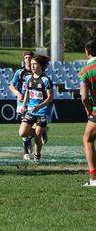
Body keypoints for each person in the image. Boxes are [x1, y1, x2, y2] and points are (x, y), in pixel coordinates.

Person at [18, 55, 53, 163]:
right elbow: (27, 92)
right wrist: (24, 105)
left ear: (41, 66)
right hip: (31, 110)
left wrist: (40, 106)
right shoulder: (28, 78)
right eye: (31, 64)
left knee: (37, 138)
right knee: (22, 133)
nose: (32, 66)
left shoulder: (46, 80)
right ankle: (42, 132)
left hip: (42, 111)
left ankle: (37, 157)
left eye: (34, 64)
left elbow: (50, 97)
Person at [9, 51, 35, 160]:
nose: (28, 60)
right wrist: (18, 94)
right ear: (24, 60)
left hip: (34, 102)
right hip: (22, 103)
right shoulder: (19, 72)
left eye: (29, 57)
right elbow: (11, 86)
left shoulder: (37, 72)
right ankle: (26, 152)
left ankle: (41, 131)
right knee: (24, 128)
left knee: (35, 127)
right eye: (26, 58)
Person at [79, 38, 96, 186]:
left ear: (87, 52)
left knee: (88, 139)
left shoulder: (86, 70)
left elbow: (84, 97)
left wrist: (89, 111)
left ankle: (94, 178)